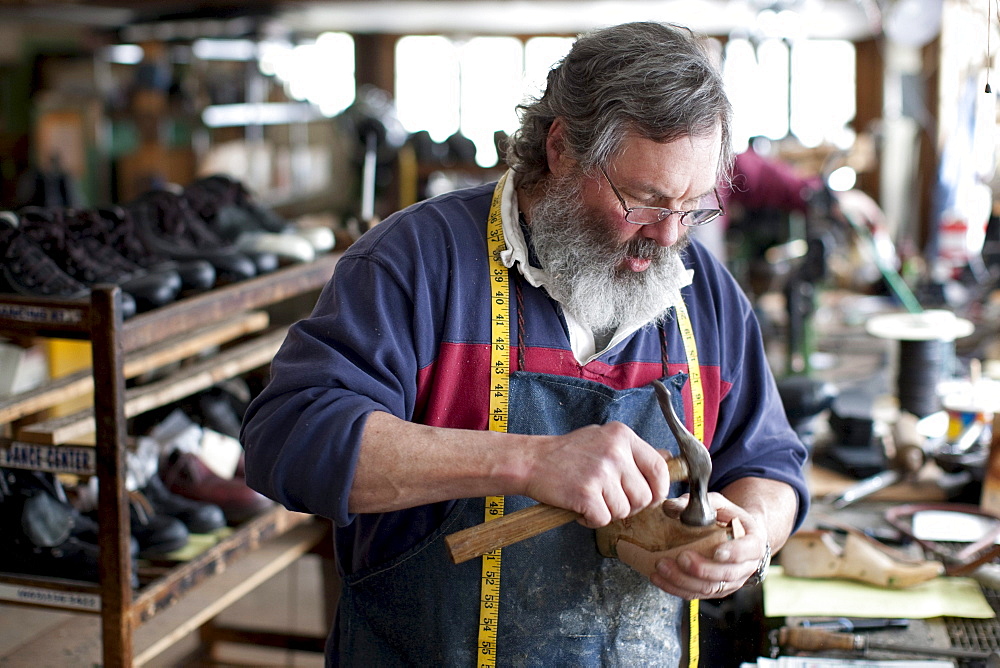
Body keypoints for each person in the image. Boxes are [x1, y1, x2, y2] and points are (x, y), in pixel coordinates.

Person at [241, 21, 809, 667]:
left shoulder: (705, 295)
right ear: (563, 148)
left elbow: (770, 464)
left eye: (693, 206)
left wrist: (753, 538)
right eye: (645, 201)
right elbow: (287, 443)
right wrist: (527, 462)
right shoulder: (416, 263)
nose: (669, 235)